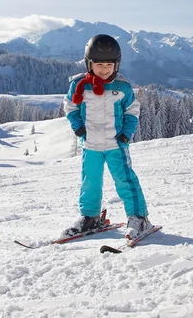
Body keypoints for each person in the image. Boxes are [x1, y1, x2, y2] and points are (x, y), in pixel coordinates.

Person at [62, 34, 153, 240]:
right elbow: (70, 106)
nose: (104, 69)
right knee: (90, 181)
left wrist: (125, 134)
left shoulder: (122, 87)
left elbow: (132, 111)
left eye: (109, 64)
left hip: (115, 144)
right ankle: (90, 216)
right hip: (91, 144)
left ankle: (138, 217)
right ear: (89, 64)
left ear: (117, 64)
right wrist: (78, 128)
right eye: (99, 64)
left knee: (125, 180)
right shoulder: (79, 85)